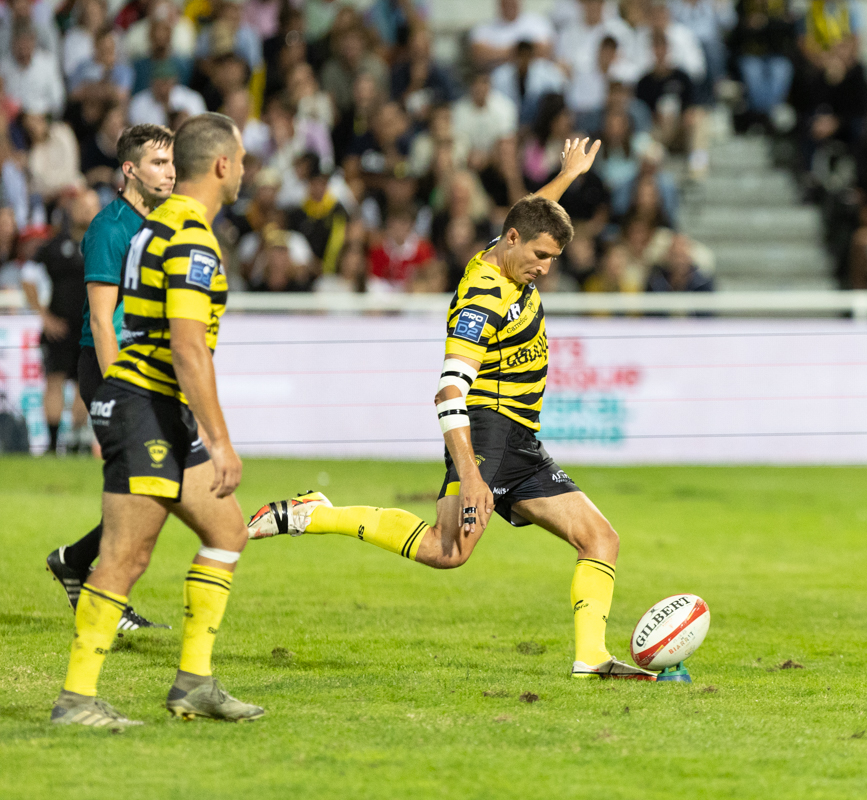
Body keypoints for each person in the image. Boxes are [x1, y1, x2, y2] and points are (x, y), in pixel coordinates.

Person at [247, 137, 655, 681]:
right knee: (447, 551)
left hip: (520, 437)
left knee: (600, 539)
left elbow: (529, 212)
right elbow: (448, 391)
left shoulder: (506, 245)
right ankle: (316, 514)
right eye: (540, 257)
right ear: (513, 243)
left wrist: (568, 176)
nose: (545, 270)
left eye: (552, 259)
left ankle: (590, 658)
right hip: (484, 434)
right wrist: (471, 474)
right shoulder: (484, 297)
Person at [50, 113, 262, 729]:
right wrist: (220, 440)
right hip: (146, 404)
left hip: (152, 405)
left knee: (227, 532)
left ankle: (194, 681)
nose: (245, 170)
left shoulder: (155, 225)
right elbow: (188, 345)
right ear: (222, 165)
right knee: (125, 557)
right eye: (242, 160)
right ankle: (77, 699)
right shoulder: (191, 235)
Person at [45, 124, 177, 633]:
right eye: (158, 163)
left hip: (151, 370)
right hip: (109, 369)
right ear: (130, 170)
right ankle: (102, 594)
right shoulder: (109, 228)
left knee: (157, 490)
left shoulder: (167, 222)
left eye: (171, 163)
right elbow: (102, 320)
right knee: (140, 491)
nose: (169, 172)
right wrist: (122, 386)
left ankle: (75, 562)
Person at [21, 191, 98, 456]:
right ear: (72, 211)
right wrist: (44, 316)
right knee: (54, 381)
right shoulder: (54, 246)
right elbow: (27, 277)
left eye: (92, 207)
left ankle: (78, 439)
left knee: (85, 383)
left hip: (92, 327)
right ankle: (53, 445)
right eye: (83, 207)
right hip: (60, 327)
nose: (87, 212)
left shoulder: (104, 244)